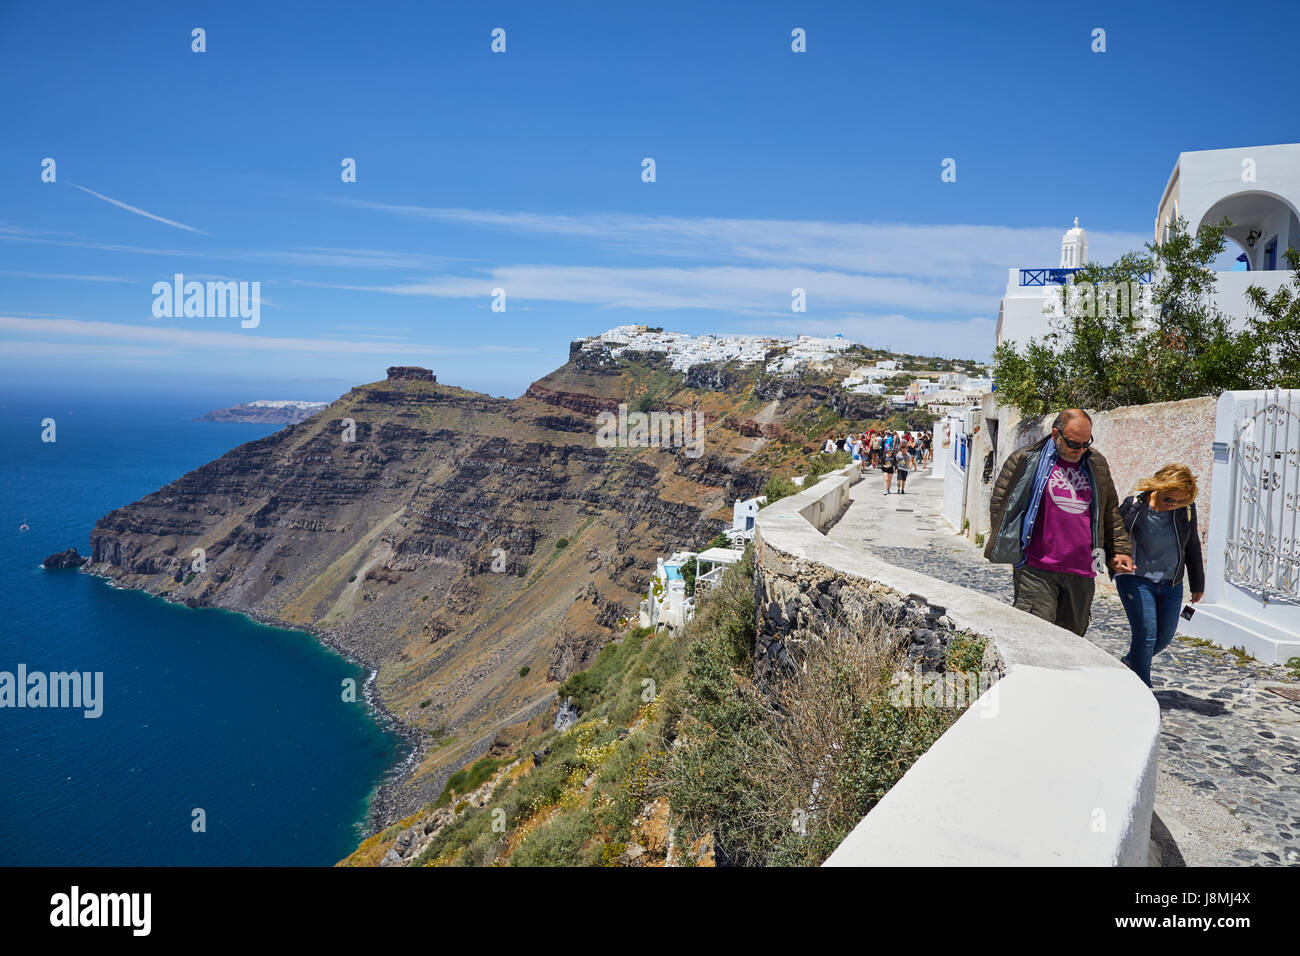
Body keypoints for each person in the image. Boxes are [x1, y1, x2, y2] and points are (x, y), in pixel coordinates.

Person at [984, 409, 1133, 637]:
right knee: (1036, 637)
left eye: (1086, 443)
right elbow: (1002, 506)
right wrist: (1013, 548)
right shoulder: (1026, 460)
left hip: (1083, 571)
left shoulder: (1096, 463)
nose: (1081, 450)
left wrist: (1121, 550)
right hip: (1036, 569)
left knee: (1072, 640)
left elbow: (1109, 508)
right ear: (1056, 434)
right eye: (1074, 444)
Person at [1113, 464, 1205, 687]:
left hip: (1171, 583)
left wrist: (1197, 583)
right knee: (1145, 636)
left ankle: (1131, 662)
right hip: (1135, 579)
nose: (1173, 506)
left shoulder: (1186, 510)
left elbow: (1192, 545)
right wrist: (1114, 558)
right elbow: (1112, 535)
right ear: (1159, 488)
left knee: (1164, 637)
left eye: (1179, 502)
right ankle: (1143, 688)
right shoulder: (1134, 506)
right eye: (1169, 500)